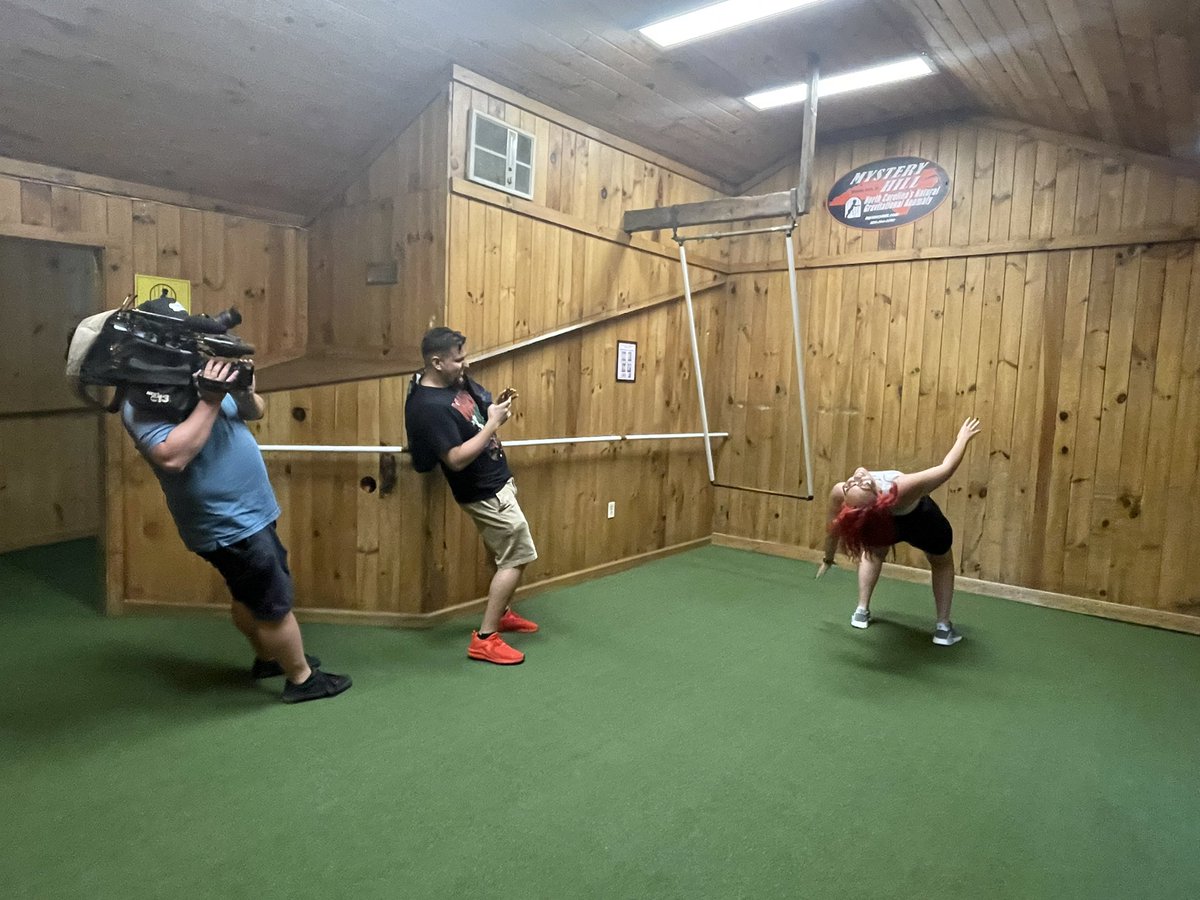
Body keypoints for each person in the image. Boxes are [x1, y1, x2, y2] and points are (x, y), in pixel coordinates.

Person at [122, 340, 352, 703]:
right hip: (226, 521)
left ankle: (269, 657)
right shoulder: (142, 401)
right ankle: (301, 678)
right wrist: (210, 399)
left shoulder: (196, 378)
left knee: (251, 593)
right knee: (273, 603)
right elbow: (171, 457)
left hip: (250, 512)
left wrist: (242, 392)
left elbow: (254, 411)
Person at [404, 327, 539, 665]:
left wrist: (492, 412)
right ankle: (485, 637)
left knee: (500, 551)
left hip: (495, 480)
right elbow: (455, 459)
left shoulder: (453, 384)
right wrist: (494, 423)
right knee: (517, 556)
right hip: (482, 491)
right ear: (437, 361)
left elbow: (474, 421)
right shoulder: (428, 406)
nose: (465, 364)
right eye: (458, 359)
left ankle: (502, 613)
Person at [816, 417, 982, 646]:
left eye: (852, 482)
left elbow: (833, 527)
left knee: (877, 554)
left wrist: (828, 557)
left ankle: (863, 612)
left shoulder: (846, 493)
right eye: (858, 483)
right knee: (941, 562)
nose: (857, 477)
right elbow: (946, 468)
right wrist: (962, 438)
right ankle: (942, 628)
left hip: (904, 522)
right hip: (916, 520)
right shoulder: (900, 488)